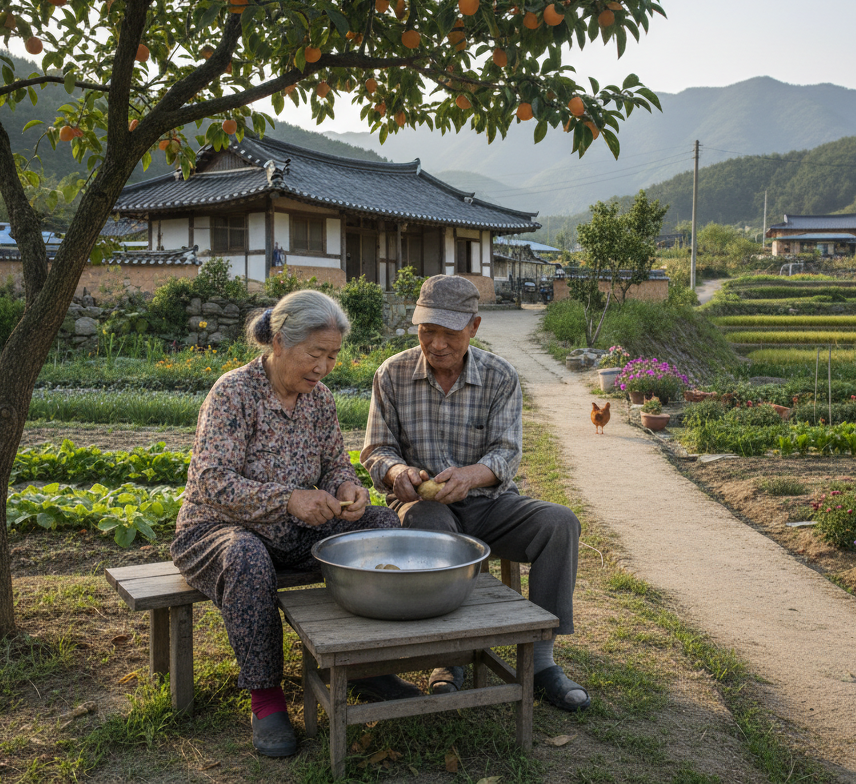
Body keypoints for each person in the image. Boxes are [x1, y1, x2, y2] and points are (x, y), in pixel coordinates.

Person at [171, 290, 419, 759]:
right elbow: (211, 480)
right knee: (246, 558)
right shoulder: (234, 392)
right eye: (315, 353)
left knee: (381, 523)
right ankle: (266, 700)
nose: (323, 366)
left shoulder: (318, 400)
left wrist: (348, 488)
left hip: (292, 534)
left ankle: (366, 668)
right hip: (216, 530)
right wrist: (288, 499)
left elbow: (334, 465)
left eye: (332, 356)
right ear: (280, 342)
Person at [361, 275, 590, 712]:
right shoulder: (391, 374)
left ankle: (542, 662)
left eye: (450, 332)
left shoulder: (500, 376)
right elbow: (376, 449)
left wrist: (470, 476)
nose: (437, 343)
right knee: (429, 525)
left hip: (490, 504)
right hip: (424, 507)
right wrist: (398, 472)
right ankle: (449, 660)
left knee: (559, 523)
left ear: (475, 327)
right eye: (428, 330)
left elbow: (506, 453)